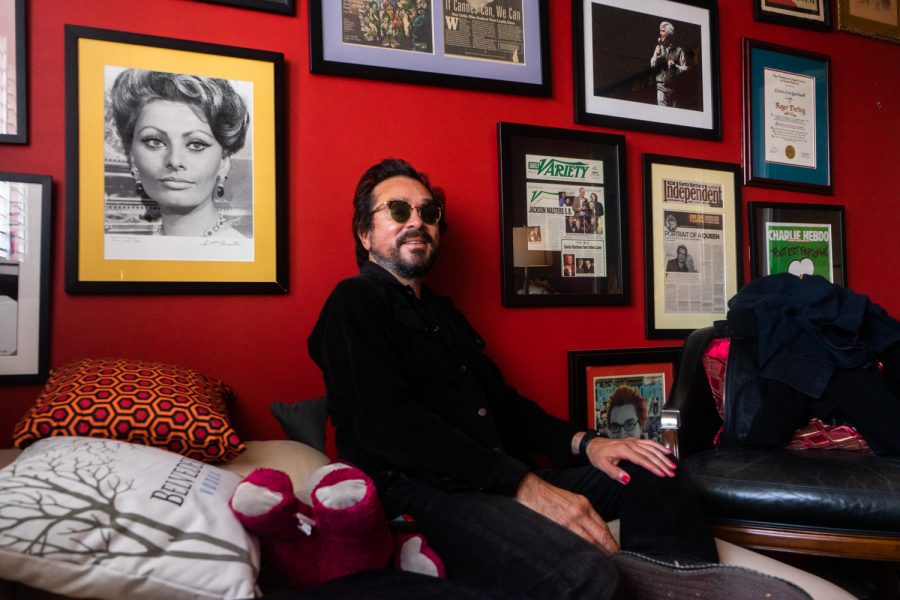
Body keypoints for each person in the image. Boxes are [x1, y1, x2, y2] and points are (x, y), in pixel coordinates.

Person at [305, 158, 829, 599]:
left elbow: (507, 408)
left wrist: (592, 443)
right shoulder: (355, 302)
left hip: (502, 478)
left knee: (656, 470)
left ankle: (683, 584)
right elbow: (389, 427)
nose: (417, 221)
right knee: (588, 576)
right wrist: (524, 484)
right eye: (398, 211)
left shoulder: (443, 314)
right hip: (428, 495)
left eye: (428, 211)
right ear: (365, 232)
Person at [109, 69, 249, 238]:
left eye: (196, 144)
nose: (174, 161)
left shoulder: (236, 252)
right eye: (155, 141)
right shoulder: (137, 249)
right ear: (132, 158)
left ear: (224, 162)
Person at [650, 21, 687, 107]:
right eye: (660, 31)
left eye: (663, 31)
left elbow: (685, 69)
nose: (660, 33)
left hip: (674, 90)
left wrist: (675, 66)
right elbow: (652, 65)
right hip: (661, 89)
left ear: (669, 33)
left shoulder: (679, 50)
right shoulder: (658, 48)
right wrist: (656, 54)